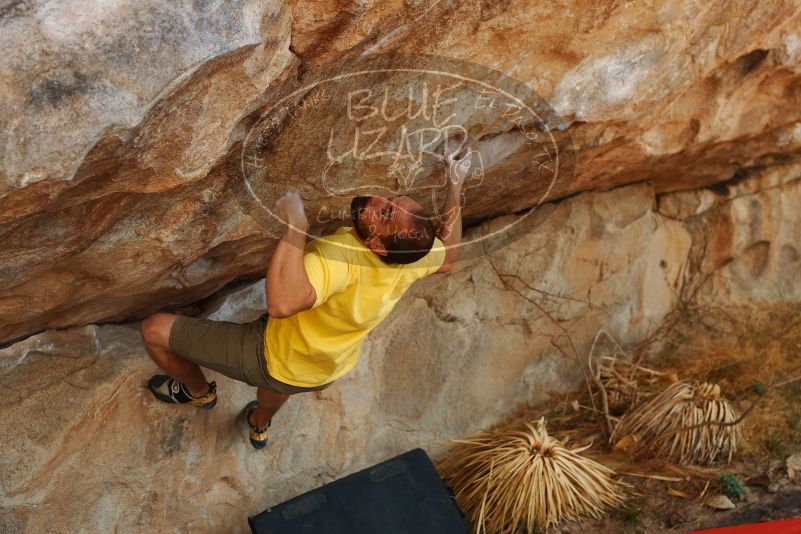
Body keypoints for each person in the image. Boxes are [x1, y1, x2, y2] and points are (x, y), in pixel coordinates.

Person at [139, 147, 472, 449]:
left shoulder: (340, 257)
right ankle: (259, 425)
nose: (376, 200)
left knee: (154, 331)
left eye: (384, 215)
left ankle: (198, 393)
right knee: (275, 394)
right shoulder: (412, 255)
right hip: (323, 366)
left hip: (268, 354)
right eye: (390, 200)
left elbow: (283, 303)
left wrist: (296, 225)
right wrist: (454, 185)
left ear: (378, 247)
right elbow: (449, 257)